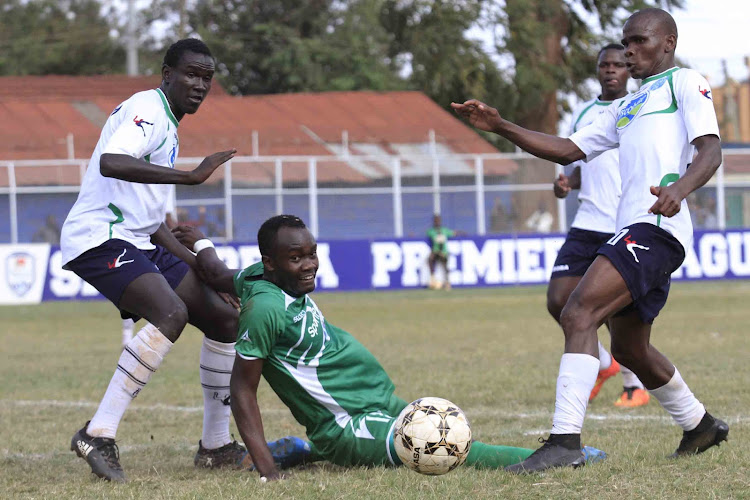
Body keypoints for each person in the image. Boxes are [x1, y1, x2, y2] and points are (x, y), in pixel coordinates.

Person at [452, 7, 727, 473]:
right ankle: (700, 425)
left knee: (578, 311)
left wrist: (680, 189)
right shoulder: (627, 105)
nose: (629, 50)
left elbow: (711, 148)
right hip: (634, 228)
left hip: (656, 229)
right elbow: (568, 149)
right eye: (625, 42)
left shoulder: (685, 83)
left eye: (639, 41)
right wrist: (501, 126)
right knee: (628, 349)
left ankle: (564, 443)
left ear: (668, 44)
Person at [172, 216, 607, 481]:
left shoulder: (255, 276)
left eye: (312, 254)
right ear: (271, 262)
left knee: (428, 432)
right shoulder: (263, 310)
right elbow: (244, 390)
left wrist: (195, 240)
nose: (309, 266)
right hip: (345, 425)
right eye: (295, 258)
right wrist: (266, 471)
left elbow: (214, 272)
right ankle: (552, 457)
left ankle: (306, 451)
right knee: (440, 447)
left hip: (374, 396)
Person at [61, 39, 245, 482]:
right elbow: (111, 161)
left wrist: (198, 265)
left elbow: (150, 218)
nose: (200, 84)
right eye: (191, 74)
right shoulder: (149, 109)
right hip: (100, 236)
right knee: (170, 313)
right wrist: (190, 177)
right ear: (166, 74)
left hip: (137, 238)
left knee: (224, 318)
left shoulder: (168, 123)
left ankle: (215, 446)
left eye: (207, 77)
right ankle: (97, 433)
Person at [549, 43, 649, 408]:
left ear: (628, 70)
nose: (610, 70)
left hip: (623, 223)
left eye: (618, 65)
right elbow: (580, 165)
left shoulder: (638, 108)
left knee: (617, 309)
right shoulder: (583, 113)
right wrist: (566, 184)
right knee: (559, 300)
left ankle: (633, 384)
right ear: (597, 70)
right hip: (586, 221)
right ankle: (605, 363)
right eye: (604, 65)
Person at [121, 187, 178, 348]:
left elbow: (167, 214)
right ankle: (135, 338)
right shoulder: (156, 172)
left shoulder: (164, 172)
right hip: (143, 235)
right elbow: (166, 217)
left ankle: (131, 337)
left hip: (150, 233)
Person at [427, 214, 455, 290]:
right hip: (436, 252)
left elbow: (453, 233)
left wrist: (463, 233)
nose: (437, 222)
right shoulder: (431, 231)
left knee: (445, 264)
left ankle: (447, 282)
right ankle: (432, 279)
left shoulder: (444, 230)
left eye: (438, 220)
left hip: (443, 252)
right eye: (436, 220)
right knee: (430, 259)